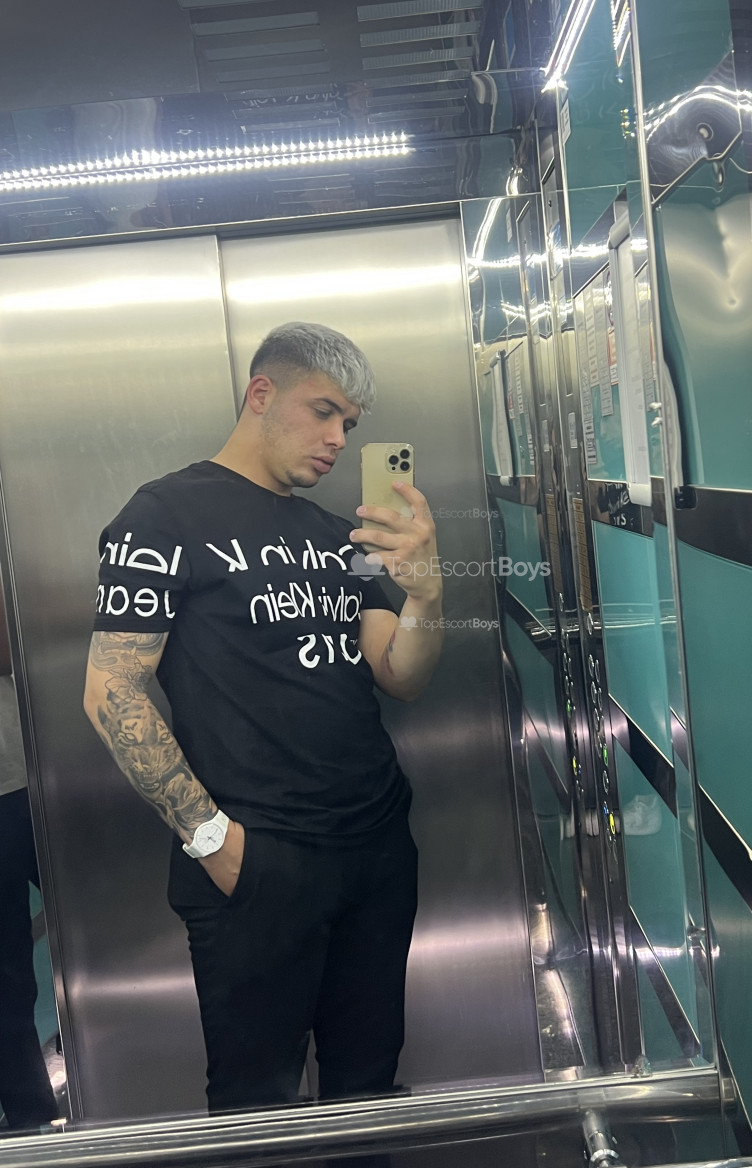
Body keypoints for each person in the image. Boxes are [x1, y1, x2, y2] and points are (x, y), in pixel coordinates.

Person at [83, 321, 443, 1115]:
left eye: (350, 424)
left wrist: (425, 594)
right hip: (257, 862)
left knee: (368, 1089)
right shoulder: (163, 516)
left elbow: (401, 674)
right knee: (256, 1107)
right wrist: (214, 842)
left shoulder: (336, 535)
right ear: (261, 393)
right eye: (324, 411)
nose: (339, 439)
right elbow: (112, 691)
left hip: (378, 850)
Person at [0, 591, 58, 1132]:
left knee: (108, 932)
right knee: (7, 977)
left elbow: (18, 643)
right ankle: (31, 1122)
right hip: (19, 778)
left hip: (33, 773)